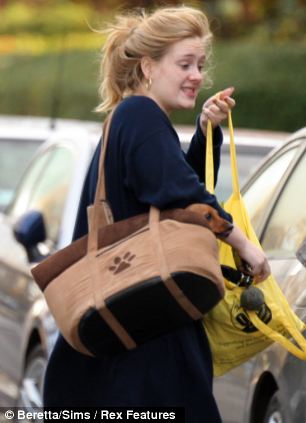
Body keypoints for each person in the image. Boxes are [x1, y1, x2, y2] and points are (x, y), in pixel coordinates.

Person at [43, 5, 270, 422]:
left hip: (134, 332)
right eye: (184, 64)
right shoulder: (140, 115)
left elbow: (171, 191)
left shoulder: (133, 117)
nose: (197, 76)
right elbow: (180, 192)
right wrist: (243, 244)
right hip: (146, 346)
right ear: (148, 67)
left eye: (200, 64)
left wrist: (204, 132)